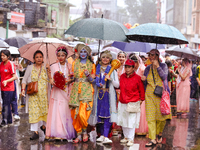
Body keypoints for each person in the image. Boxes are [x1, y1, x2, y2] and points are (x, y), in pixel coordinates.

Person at [141, 49, 171, 146]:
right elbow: (145, 81)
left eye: (153, 55)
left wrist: (158, 66)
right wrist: (143, 79)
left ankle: (159, 133)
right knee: (150, 117)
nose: (150, 57)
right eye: (149, 55)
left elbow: (164, 77)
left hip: (160, 94)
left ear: (157, 56)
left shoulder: (164, 66)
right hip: (149, 94)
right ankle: (152, 138)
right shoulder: (147, 68)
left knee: (161, 117)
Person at [45, 46, 76, 141]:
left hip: (66, 91)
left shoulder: (70, 66)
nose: (61, 57)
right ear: (56, 56)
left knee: (65, 111)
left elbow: (73, 78)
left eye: (63, 55)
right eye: (59, 55)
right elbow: (50, 79)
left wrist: (67, 81)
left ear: (66, 56)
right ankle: (57, 134)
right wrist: (51, 81)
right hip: (56, 91)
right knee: (57, 111)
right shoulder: (53, 66)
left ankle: (66, 133)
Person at [21, 50, 52, 140]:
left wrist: (49, 70)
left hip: (44, 96)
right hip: (33, 95)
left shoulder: (46, 67)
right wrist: (23, 90)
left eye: (40, 57)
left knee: (45, 112)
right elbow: (24, 80)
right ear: (34, 59)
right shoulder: (30, 67)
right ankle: (35, 132)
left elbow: (51, 80)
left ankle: (45, 128)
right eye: (37, 57)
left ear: (43, 59)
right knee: (34, 113)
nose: (39, 58)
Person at [90, 50, 119, 144]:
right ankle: (102, 135)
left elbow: (117, 85)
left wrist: (110, 79)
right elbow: (93, 81)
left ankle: (106, 135)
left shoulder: (112, 70)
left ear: (110, 59)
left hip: (108, 94)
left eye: (107, 57)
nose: (105, 59)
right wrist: (90, 77)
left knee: (107, 116)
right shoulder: (96, 69)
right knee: (99, 115)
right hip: (98, 94)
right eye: (103, 57)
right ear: (100, 58)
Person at [69, 44, 96, 143]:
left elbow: (92, 80)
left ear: (88, 53)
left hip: (86, 90)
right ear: (78, 53)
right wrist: (69, 78)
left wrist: (88, 75)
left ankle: (84, 131)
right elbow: (72, 77)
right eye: (81, 52)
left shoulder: (91, 64)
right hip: (75, 89)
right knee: (74, 114)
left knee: (82, 113)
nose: (83, 54)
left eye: (85, 52)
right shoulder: (74, 63)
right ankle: (79, 134)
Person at [118, 59, 145, 146]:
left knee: (131, 121)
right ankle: (126, 137)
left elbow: (141, 90)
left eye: (129, 67)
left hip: (133, 102)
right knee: (123, 121)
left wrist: (141, 99)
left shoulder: (138, 78)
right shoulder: (122, 76)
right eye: (126, 66)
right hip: (122, 101)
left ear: (133, 68)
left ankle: (131, 138)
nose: (127, 68)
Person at [129, 54, 148, 136]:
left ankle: (140, 129)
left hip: (140, 93)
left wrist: (144, 80)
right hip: (132, 93)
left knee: (140, 111)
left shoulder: (142, 69)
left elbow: (147, 81)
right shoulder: (130, 70)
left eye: (135, 62)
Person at [0, 50, 18, 127]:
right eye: (1, 55)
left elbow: (15, 77)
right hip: (3, 87)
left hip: (9, 88)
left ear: (8, 56)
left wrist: (6, 81)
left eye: (4, 56)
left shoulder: (11, 64)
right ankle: (9, 121)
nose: (2, 57)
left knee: (6, 104)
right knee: (5, 103)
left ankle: (5, 121)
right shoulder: (1, 64)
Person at [111, 51, 127, 136]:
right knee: (115, 109)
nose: (121, 58)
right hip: (114, 90)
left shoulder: (126, 68)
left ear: (125, 58)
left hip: (123, 91)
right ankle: (115, 128)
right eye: (119, 56)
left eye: (122, 57)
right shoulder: (114, 67)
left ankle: (123, 128)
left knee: (122, 110)